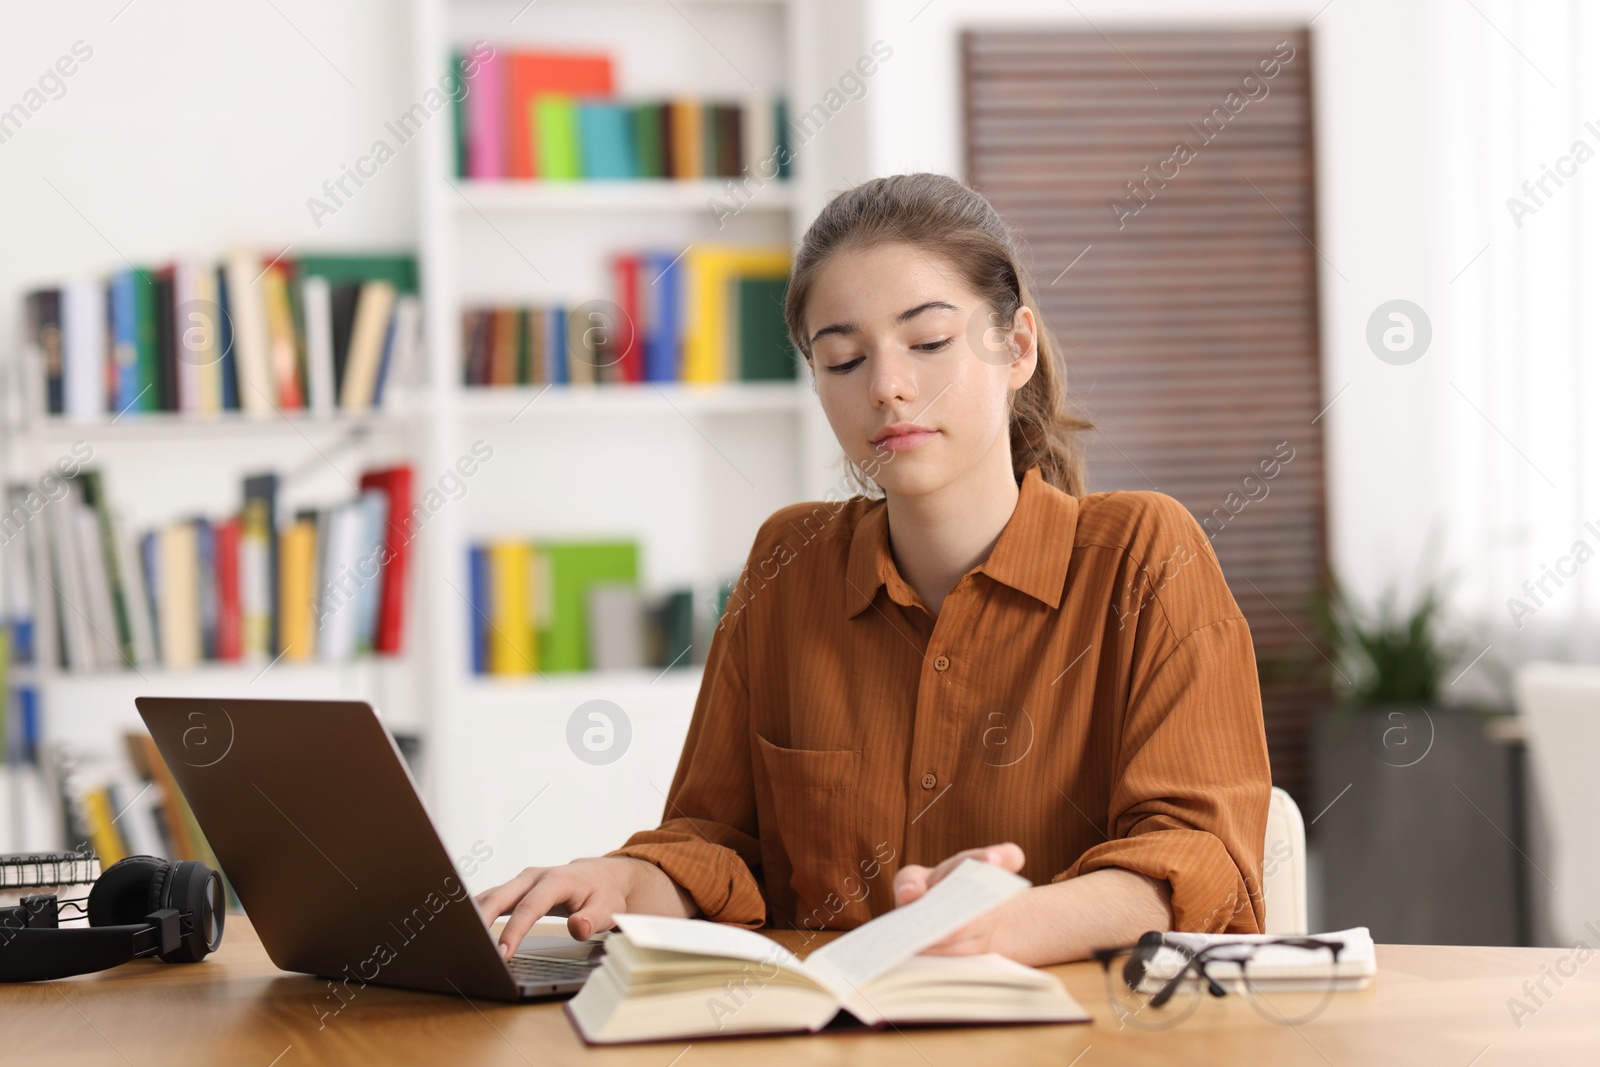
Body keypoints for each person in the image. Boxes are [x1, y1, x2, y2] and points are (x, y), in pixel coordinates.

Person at [475, 172, 1272, 967]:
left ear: (1016, 346)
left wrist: (1000, 923)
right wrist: (619, 877)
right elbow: (718, 848)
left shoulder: (1143, 555)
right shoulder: (786, 566)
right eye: (844, 358)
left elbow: (1200, 861)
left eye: (928, 343)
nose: (888, 387)